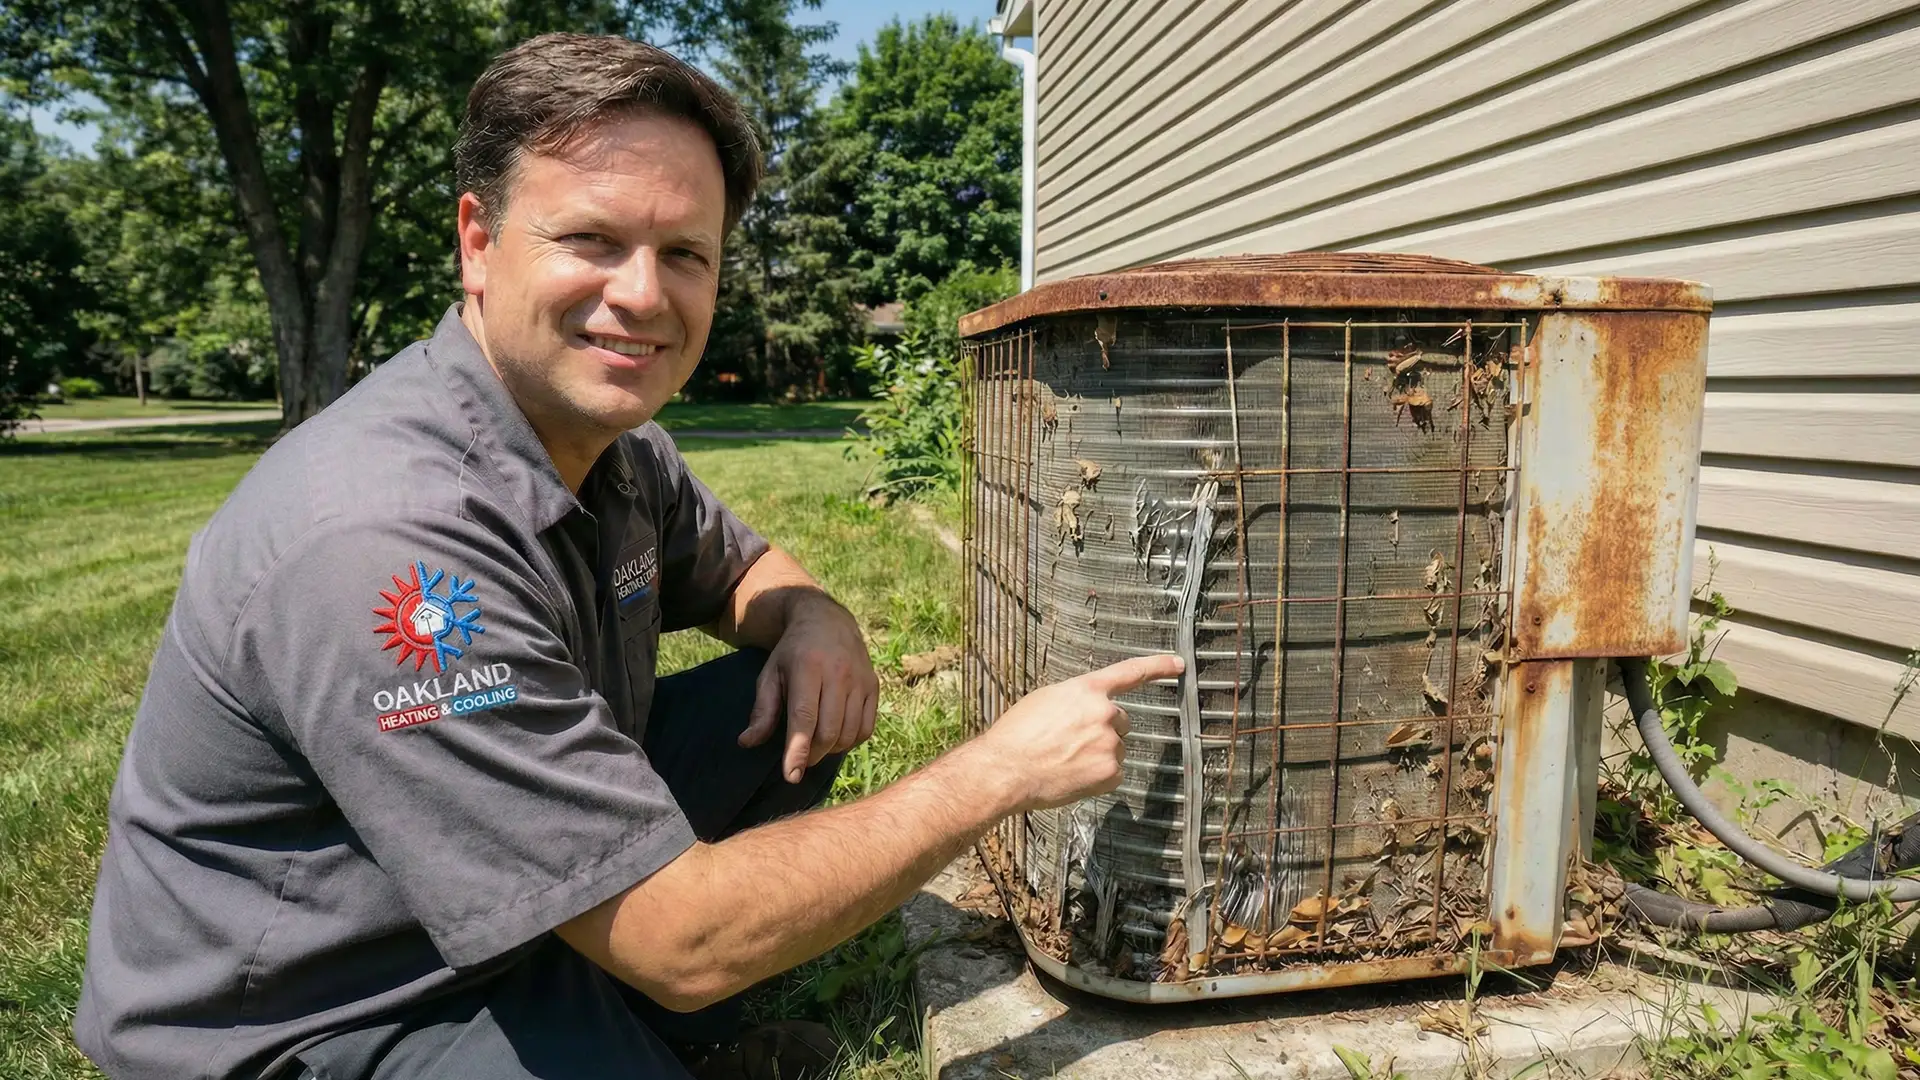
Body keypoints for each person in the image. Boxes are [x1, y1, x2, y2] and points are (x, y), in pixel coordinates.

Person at [72, 31, 1181, 1080]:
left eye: (684, 254)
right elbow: (680, 938)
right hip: (327, 1004)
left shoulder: (615, 451)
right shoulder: (386, 545)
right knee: (677, 945)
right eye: (593, 240)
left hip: (475, 907)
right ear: (477, 241)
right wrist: (999, 773)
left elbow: (750, 574)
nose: (643, 294)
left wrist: (817, 621)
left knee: (779, 697)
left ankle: (632, 1028)